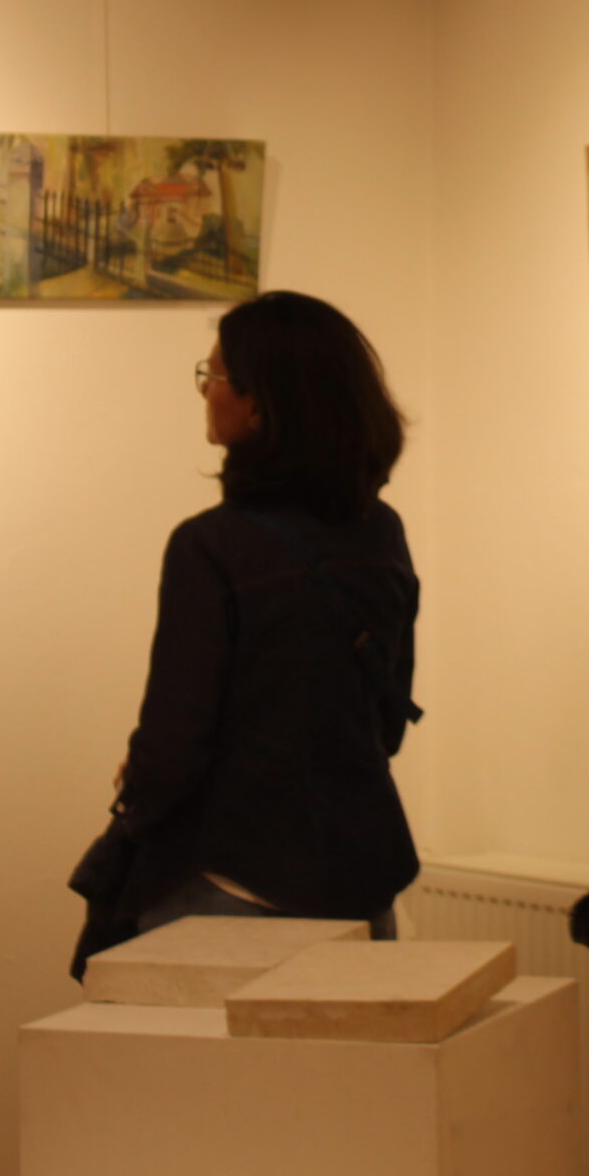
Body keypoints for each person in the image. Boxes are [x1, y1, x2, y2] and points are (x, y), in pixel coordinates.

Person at [86, 290, 422, 964]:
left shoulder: (209, 546)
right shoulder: (382, 533)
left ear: (258, 406)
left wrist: (141, 789)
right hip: (360, 876)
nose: (205, 391)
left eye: (215, 375)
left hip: (232, 884)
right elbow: (385, 725)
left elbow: (176, 740)